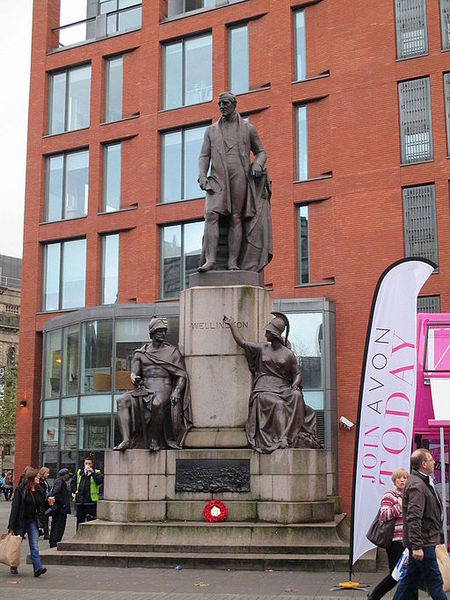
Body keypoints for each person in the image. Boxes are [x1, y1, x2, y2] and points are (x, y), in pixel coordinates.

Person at [223, 312, 321, 453]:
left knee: (297, 396)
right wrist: (232, 325)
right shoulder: (263, 348)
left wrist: (295, 384)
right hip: (264, 388)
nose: (266, 334)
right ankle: (281, 438)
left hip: (283, 387)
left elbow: (297, 373)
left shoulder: (288, 354)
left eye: (268, 332)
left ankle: (290, 436)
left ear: (275, 335)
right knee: (279, 404)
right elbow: (242, 342)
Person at [197, 91, 272, 273]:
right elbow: (204, 155)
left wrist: (258, 164)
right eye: (220, 104)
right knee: (211, 215)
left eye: (225, 103)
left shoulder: (248, 128)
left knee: (236, 217)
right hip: (217, 179)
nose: (222, 107)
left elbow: (261, 152)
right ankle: (211, 260)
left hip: (239, 176)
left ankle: (232, 262)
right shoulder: (211, 130)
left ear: (234, 104)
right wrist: (202, 175)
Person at [114, 317, 192, 452]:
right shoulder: (141, 354)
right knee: (121, 401)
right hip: (145, 389)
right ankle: (126, 440)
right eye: (159, 331)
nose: (162, 334)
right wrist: (135, 379)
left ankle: (155, 441)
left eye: (164, 331)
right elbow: (133, 373)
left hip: (164, 388)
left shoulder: (173, 352)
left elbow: (182, 375)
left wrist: (177, 391)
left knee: (157, 403)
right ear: (151, 334)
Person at [392, 448, 447, 600]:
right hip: (423, 543)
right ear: (423, 464)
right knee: (436, 583)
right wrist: (416, 546)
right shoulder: (417, 485)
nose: (434, 462)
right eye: (430, 460)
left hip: (424, 541)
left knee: (409, 579)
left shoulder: (423, 481)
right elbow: (414, 517)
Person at [367, 468, 408, 600]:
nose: (402, 480)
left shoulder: (407, 495)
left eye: (404, 478)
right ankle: (374, 596)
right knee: (395, 574)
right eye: (399, 478)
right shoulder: (390, 495)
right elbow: (384, 515)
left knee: (404, 574)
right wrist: (398, 507)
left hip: (406, 540)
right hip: (395, 541)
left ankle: (374, 596)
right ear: (394, 480)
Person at [7, 466, 47, 577]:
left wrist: (49, 503)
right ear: (31, 479)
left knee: (34, 545)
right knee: (16, 544)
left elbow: (42, 505)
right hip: (20, 521)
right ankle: (13, 565)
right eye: (37, 477)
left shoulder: (39, 490)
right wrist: (11, 525)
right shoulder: (21, 490)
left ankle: (37, 568)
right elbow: (15, 508)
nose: (38, 478)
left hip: (32, 521)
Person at [71, 457, 103, 530]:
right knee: (80, 520)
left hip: (91, 501)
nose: (87, 465)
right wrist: (75, 492)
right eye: (86, 463)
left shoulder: (97, 472)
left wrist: (92, 473)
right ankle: (79, 535)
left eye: (89, 463)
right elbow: (73, 483)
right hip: (80, 501)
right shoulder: (79, 472)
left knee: (91, 520)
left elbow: (99, 481)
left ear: (92, 464)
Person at [48, 468, 72, 548]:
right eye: (68, 475)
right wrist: (63, 504)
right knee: (59, 526)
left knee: (56, 525)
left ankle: (53, 542)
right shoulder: (60, 483)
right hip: (60, 510)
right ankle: (54, 542)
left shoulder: (58, 482)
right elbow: (56, 494)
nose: (69, 477)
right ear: (64, 475)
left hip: (58, 509)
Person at [38, 467, 51, 539]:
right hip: (42, 501)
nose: (48, 474)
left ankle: (45, 532)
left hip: (46, 501)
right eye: (47, 473)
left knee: (45, 517)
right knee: (44, 517)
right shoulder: (40, 481)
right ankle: (45, 533)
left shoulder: (45, 481)